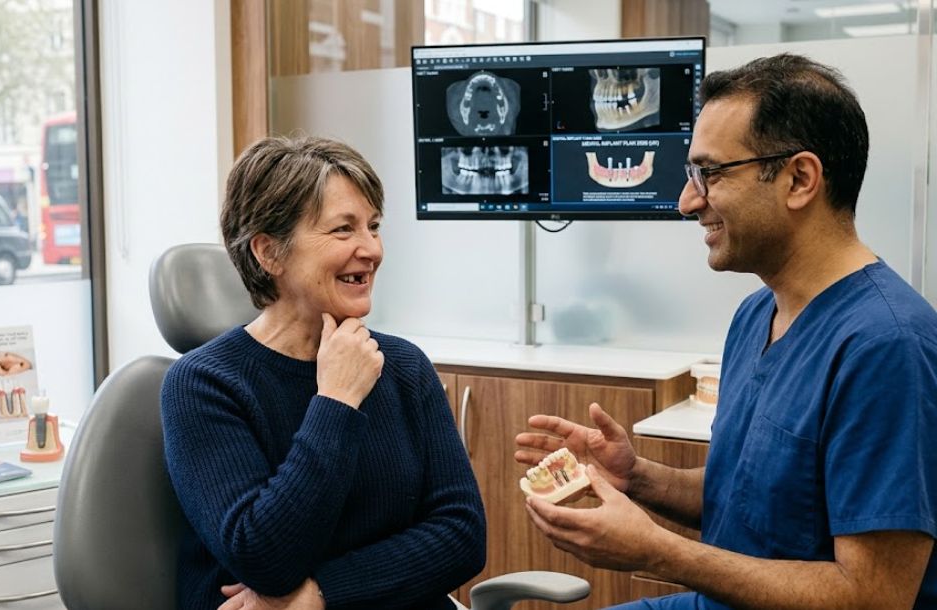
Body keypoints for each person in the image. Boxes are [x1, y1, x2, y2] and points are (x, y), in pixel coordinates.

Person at [516, 54, 937, 609]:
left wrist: (655, 551)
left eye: (709, 174)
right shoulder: (754, 316)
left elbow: (873, 597)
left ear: (799, 179)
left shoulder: (887, 347)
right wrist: (635, 476)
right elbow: (751, 500)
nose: (687, 201)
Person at [161, 135, 486, 610]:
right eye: (343, 230)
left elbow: (462, 535)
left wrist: (322, 595)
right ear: (268, 253)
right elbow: (265, 556)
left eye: (374, 226)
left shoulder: (403, 367)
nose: (371, 249)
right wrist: (336, 401)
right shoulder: (203, 385)